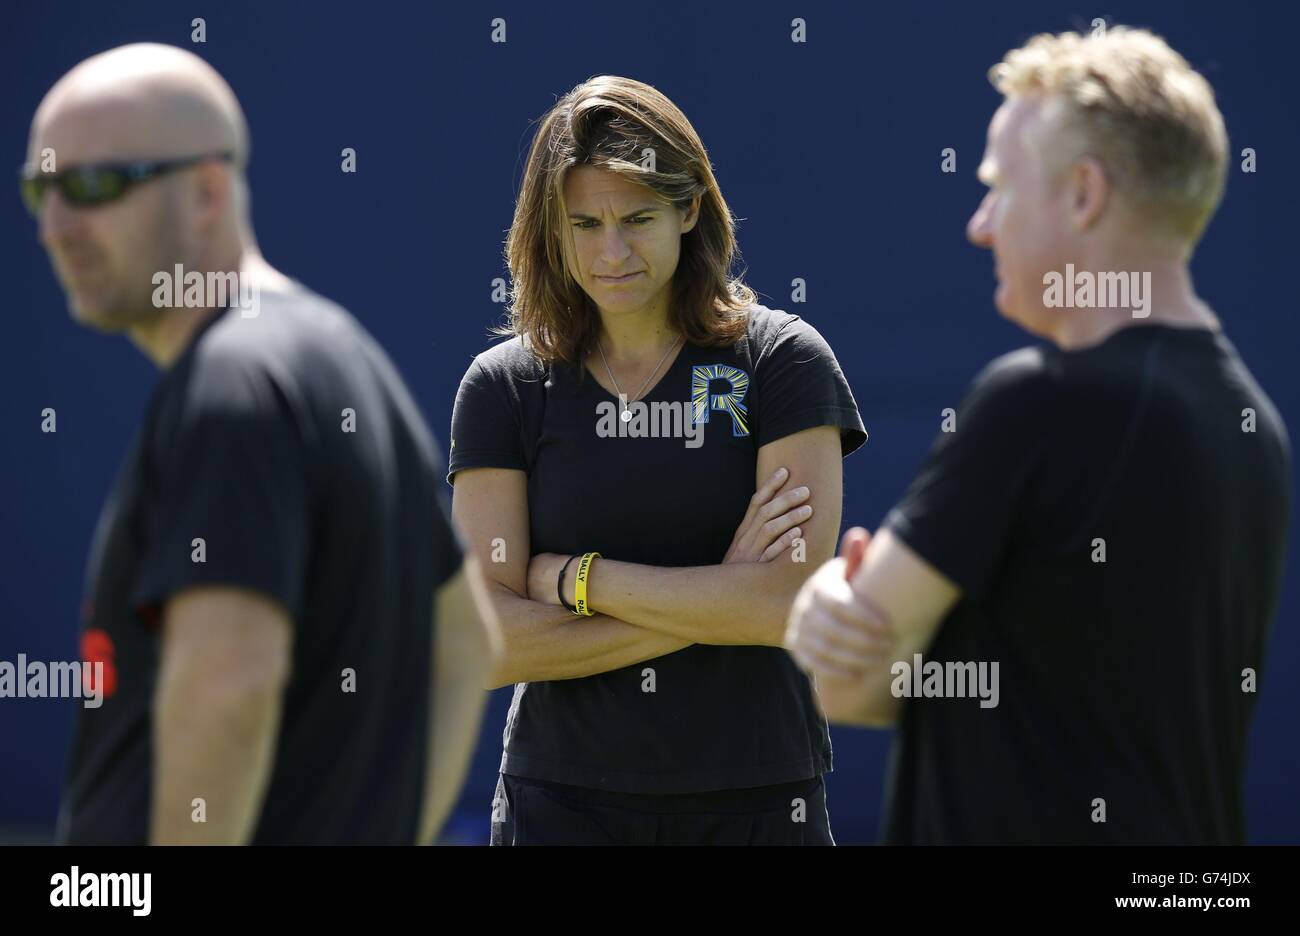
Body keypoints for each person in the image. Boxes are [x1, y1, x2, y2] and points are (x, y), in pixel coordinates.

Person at [784, 27, 1291, 844]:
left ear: (1084, 194)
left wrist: (822, 601)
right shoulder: (1254, 426)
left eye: (999, 187)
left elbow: (844, 685)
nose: (980, 224)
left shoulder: (1041, 401)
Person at [24, 43, 500, 844]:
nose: (54, 225)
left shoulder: (231, 384)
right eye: (39, 189)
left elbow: (227, 687)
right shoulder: (341, 355)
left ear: (207, 191)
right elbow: (465, 642)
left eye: (93, 186)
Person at [448, 75, 867, 845]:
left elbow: (790, 606)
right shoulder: (504, 386)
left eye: (638, 218)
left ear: (689, 208)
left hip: (760, 800)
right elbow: (484, 644)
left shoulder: (783, 361)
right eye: (585, 224)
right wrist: (725, 602)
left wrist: (575, 580)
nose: (612, 252)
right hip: (559, 807)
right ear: (551, 230)